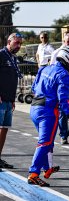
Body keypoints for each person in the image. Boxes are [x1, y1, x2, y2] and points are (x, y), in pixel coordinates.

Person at [28, 46, 69, 187]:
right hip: (48, 111)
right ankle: (33, 173)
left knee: (47, 142)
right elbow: (63, 97)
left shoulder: (44, 68)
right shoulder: (64, 75)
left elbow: (34, 87)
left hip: (34, 108)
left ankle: (47, 168)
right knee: (45, 142)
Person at [0, 33, 23, 170]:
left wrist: (13, 99)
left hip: (9, 99)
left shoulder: (13, 58)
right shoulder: (2, 55)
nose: (18, 46)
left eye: (20, 43)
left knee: (4, 129)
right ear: (9, 42)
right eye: (16, 43)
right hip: (1, 98)